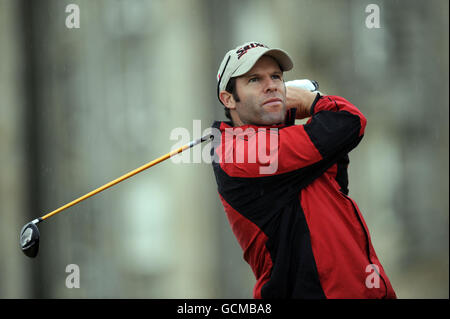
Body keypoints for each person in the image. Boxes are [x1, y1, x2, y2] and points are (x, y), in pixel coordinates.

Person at [211, 41, 397, 299]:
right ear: (229, 98)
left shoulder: (287, 144)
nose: (272, 85)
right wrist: (313, 101)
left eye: (276, 76)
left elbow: (335, 155)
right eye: (254, 79)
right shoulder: (234, 153)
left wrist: (284, 113)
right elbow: (349, 122)